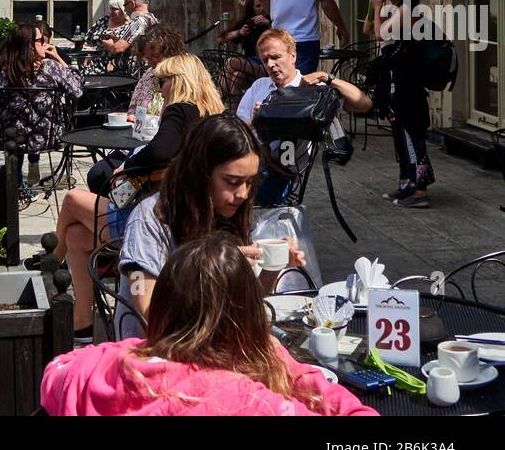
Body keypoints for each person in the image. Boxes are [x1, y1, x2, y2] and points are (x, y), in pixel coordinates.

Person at [41, 233, 377, 417]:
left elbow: (56, 372)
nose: (240, 194)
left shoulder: (97, 366)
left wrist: (138, 347)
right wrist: (289, 368)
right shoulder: (251, 404)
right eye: (232, 181)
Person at [38, 54, 223, 341]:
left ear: (178, 81)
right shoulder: (210, 113)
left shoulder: (180, 109)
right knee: (75, 236)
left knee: (72, 199)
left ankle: (52, 266)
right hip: (178, 216)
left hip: (148, 222)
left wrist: (128, 166)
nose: (160, 89)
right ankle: (81, 324)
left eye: (163, 82)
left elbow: (160, 150)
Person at [117, 113, 307, 338]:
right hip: (157, 351)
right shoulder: (149, 220)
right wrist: (213, 267)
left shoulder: (226, 210)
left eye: (250, 182)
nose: (244, 194)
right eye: (233, 182)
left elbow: (245, 306)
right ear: (200, 174)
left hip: (211, 342)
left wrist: (271, 267)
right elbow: (149, 319)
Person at [237, 28, 372, 204]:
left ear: (292, 56)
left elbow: (365, 104)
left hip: (280, 170)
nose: (270, 64)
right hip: (247, 161)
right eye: (265, 60)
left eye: (276, 57)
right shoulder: (259, 86)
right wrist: (257, 120)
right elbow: (237, 131)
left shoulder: (313, 92)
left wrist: (327, 77)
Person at [85, 21, 186, 196]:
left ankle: (123, 209)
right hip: (136, 143)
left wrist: (127, 167)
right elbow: (133, 109)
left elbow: (168, 141)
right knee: (97, 175)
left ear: (170, 52)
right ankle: (117, 209)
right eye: (148, 58)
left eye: (155, 57)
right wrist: (131, 118)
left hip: (161, 153)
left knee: (110, 179)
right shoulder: (148, 76)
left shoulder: (181, 81)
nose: (151, 62)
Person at [366, 0, 435, 209]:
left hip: (407, 84)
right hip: (397, 82)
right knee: (400, 133)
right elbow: (368, 28)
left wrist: (377, 8)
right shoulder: (397, 9)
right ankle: (407, 182)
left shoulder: (406, 9)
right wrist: (373, 7)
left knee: (411, 134)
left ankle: (419, 191)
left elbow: (380, 34)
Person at [0, 22, 83, 188]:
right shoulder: (51, 68)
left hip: (10, 139)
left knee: (12, 130)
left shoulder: (4, 72)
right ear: (30, 46)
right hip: (46, 138)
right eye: (41, 40)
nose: (45, 44)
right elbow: (77, 90)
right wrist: (59, 59)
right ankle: (23, 183)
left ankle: (15, 187)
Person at [221, 0, 269, 112]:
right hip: (249, 66)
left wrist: (268, 23)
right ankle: (233, 115)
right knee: (237, 76)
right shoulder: (249, 23)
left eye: (263, 5)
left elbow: (284, 35)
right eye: (258, 6)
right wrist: (240, 32)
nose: (262, 9)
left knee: (231, 62)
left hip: (265, 66)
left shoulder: (274, 21)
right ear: (252, 9)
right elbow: (221, 39)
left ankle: (217, 98)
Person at [100, 0, 158, 71]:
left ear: (132, 4)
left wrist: (108, 44)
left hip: (137, 71)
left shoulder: (138, 22)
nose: (125, 9)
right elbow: (139, 40)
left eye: (125, 5)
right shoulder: (152, 18)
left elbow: (118, 48)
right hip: (148, 67)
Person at [83, 0, 128, 75]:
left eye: (115, 9)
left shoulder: (130, 26)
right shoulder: (103, 20)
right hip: (96, 61)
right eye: (110, 8)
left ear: (123, 10)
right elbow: (88, 40)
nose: (111, 11)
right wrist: (88, 55)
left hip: (118, 64)